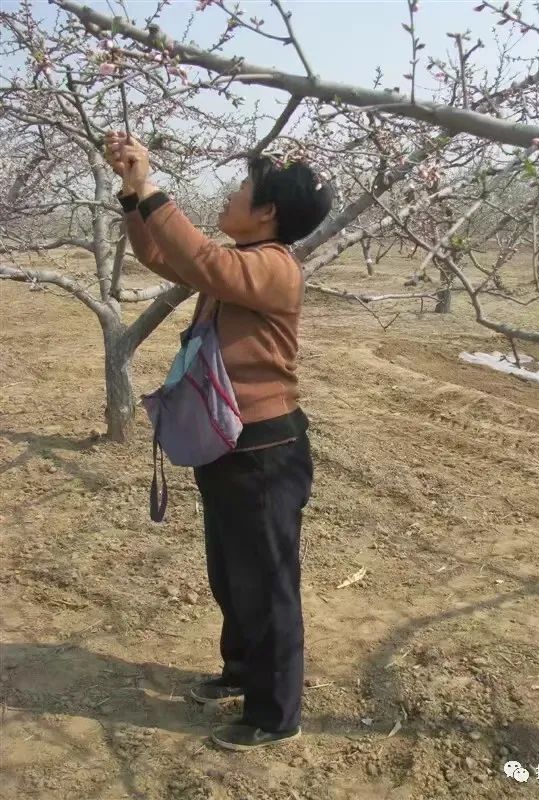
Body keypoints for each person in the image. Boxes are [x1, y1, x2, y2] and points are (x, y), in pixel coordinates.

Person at [104, 131, 332, 751]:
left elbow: (201, 259)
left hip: (264, 451)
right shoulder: (238, 265)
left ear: (267, 212)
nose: (228, 198)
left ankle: (275, 712)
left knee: (266, 579)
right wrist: (132, 191)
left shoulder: (272, 266)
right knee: (232, 572)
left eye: (240, 191)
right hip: (228, 443)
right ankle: (240, 671)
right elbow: (163, 257)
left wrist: (152, 186)